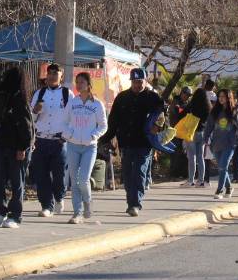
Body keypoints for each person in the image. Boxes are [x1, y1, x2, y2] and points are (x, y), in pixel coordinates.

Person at [105, 67, 165, 216]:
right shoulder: (122, 98)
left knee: (139, 172)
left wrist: (158, 127)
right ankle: (130, 200)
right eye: (135, 82)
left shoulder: (153, 98)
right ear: (131, 82)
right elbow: (113, 121)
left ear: (145, 81)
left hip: (144, 143)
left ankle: (135, 204)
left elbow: (163, 116)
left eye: (140, 81)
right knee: (127, 173)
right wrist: (106, 138)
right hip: (126, 142)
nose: (138, 84)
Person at [0, 67, 33, 229]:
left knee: (17, 182)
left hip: (17, 148)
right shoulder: (6, 98)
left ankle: (15, 215)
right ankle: (0, 210)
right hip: (2, 145)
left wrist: (22, 147)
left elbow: (26, 128)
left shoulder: (19, 101)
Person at [63, 71, 107, 223]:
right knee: (74, 180)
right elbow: (64, 121)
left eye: (82, 82)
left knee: (83, 179)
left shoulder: (97, 104)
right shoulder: (73, 102)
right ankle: (77, 212)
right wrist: (69, 135)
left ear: (88, 85)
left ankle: (88, 202)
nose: (78, 84)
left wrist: (93, 136)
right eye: (77, 82)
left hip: (89, 146)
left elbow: (103, 125)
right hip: (73, 145)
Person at [30, 63, 71, 217]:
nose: (53, 76)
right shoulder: (39, 94)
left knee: (59, 175)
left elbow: (72, 119)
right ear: (46, 76)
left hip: (58, 141)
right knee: (41, 175)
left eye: (56, 73)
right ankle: (46, 205)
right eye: (50, 73)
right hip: (41, 139)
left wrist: (64, 136)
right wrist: (35, 111)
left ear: (61, 76)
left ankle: (59, 197)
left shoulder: (67, 94)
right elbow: (31, 118)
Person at [207, 89, 238, 199]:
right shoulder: (214, 111)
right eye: (219, 96)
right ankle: (229, 188)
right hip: (216, 144)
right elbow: (209, 126)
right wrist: (205, 139)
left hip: (229, 144)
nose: (221, 98)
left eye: (223, 96)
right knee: (222, 168)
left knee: (222, 166)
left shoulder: (234, 111)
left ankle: (219, 190)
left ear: (229, 97)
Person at [183, 82, 212, 187]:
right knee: (201, 157)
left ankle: (190, 180)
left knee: (192, 157)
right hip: (202, 133)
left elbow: (183, 113)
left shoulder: (192, 105)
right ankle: (201, 181)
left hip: (192, 132)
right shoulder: (207, 107)